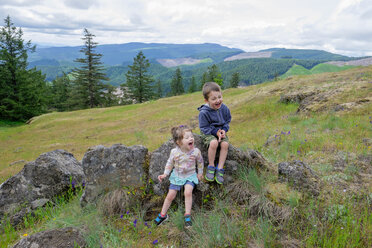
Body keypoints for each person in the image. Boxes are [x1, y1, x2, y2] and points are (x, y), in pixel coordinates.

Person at [154, 125, 204, 227]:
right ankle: (163, 215)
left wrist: (200, 173)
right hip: (177, 176)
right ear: (179, 142)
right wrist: (165, 174)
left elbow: (200, 162)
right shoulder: (174, 152)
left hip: (190, 176)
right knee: (170, 195)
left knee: (188, 192)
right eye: (187, 138)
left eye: (191, 136)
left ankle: (187, 215)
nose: (191, 139)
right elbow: (170, 163)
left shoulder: (196, 151)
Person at [198, 82, 231, 184]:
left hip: (220, 132)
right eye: (214, 99)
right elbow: (204, 127)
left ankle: (220, 169)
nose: (218, 100)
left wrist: (224, 131)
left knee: (225, 144)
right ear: (206, 100)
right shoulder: (204, 112)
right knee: (214, 143)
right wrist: (215, 132)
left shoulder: (224, 108)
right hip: (208, 132)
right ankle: (211, 166)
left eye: (219, 97)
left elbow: (227, 121)